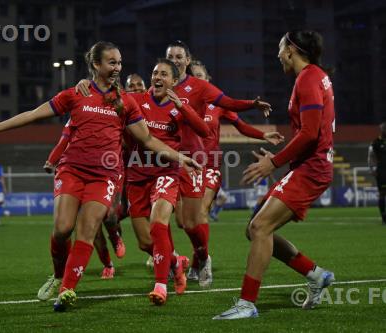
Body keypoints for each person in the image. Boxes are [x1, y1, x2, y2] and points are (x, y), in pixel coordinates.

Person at [0, 41, 200, 312]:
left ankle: (67, 290)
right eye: (112, 62)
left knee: (88, 230)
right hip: (72, 170)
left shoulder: (125, 101)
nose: (117, 68)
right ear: (96, 65)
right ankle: (58, 275)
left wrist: (178, 155)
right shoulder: (75, 93)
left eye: (119, 62)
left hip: (105, 175)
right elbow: (35, 113)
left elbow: (147, 139)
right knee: (62, 229)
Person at [214, 30, 336, 320]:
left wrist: (274, 163)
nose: (278, 54)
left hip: (312, 167)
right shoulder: (314, 76)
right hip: (309, 166)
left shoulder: (307, 79)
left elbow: (309, 133)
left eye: (281, 49)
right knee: (254, 229)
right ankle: (315, 274)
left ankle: (246, 304)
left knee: (259, 229)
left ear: (292, 49)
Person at [165, 42, 275, 289]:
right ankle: (196, 260)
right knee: (184, 222)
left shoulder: (215, 104)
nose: (197, 80)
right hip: (179, 161)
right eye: (196, 76)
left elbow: (240, 123)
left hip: (209, 163)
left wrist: (262, 134)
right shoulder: (169, 91)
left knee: (201, 214)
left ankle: (202, 261)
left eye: (201, 77)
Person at [125, 58, 209, 305]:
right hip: (137, 175)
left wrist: (182, 107)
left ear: (174, 81)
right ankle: (176, 262)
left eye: (164, 74)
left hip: (167, 173)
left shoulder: (178, 108)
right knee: (144, 243)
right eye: (154, 72)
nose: (158, 77)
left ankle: (161, 286)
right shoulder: (137, 101)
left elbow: (204, 131)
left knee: (158, 223)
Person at [41, 121, 123, 282]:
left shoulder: (116, 110)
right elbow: (64, 139)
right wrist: (52, 159)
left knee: (104, 221)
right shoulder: (77, 114)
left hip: (103, 172)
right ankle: (63, 274)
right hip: (74, 173)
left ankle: (113, 245)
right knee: (70, 229)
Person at [368, 122, 386, 224]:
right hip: (382, 172)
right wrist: (372, 168)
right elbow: (371, 156)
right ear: (381, 130)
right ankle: (383, 217)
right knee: (382, 194)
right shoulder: (375, 143)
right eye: (384, 129)